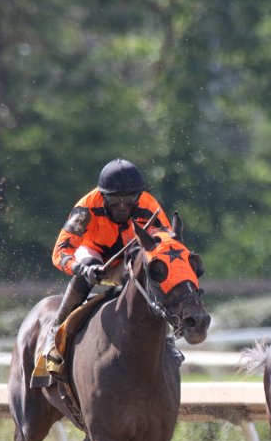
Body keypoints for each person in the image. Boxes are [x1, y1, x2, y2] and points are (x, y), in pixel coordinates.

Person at [31, 158, 173, 387]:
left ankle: (167, 339)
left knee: (150, 272)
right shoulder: (85, 209)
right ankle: (55, 332)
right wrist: (81, 268)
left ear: (138, 196)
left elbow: (165, 246)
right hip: (92, 255)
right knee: (83, 272)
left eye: (129, 201)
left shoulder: (149, 205)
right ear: (102, 196)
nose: (122, 207)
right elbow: (61, 250)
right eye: (114, 201)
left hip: (128, 257)